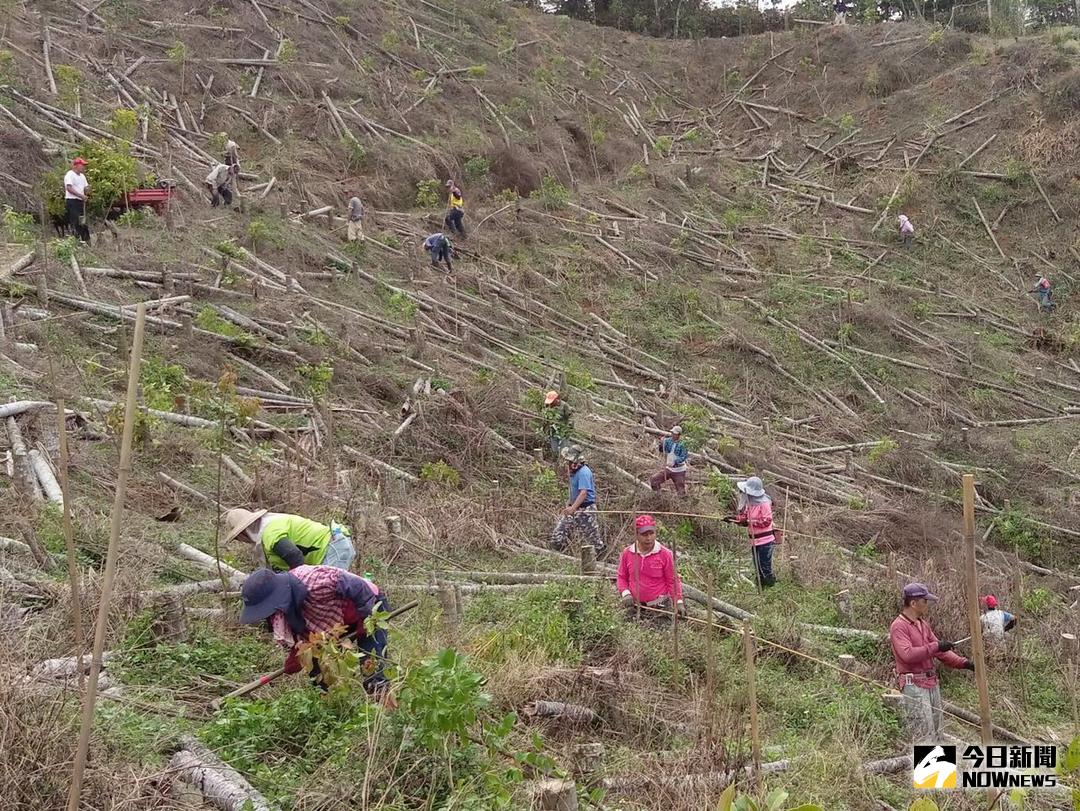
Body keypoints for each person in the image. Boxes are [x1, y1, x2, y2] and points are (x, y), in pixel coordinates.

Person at [239, 565, 395, 706]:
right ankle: (328, 710)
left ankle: (387, 713)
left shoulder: (314, 582)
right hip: (336, 620)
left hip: (368, 605)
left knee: (371, 667)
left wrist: (365, 618)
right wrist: (297, 655)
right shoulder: (281, 609)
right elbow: (302, 632)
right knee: (316, 669)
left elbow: (357, 586)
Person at [889, 583, 975, 742]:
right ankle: (927, 766)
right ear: (913, 603)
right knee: (923, 734)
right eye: (924, 601)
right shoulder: (898, 626)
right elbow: (907, 654)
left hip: (931, 683)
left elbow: (941, 652)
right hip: (914, 685)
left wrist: (965, 663)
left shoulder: (923, 624)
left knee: (938, 731)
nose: (927, 604)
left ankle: (942, 767)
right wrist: (936, 646)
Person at [222, 508, 357, 572]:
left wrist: (299, 582)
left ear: (244, 532)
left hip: (332, 549)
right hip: (335, 545)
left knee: (329, 596)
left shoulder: (270, 533)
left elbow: (294, 555)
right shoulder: (271, 527)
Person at [617, 514, 684, 617]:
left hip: (660, 606)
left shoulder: (665, 554)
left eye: (651, 533)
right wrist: (626, 593)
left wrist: (678, 602)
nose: (648, 538)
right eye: (644, 534)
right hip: (635, 605)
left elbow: (672, 580)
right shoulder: (628, 553)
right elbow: (622, 577)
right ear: (636, 535)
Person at [551, 445, 604, 555]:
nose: (569, 464)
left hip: (585, 509)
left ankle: (599, 556)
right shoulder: (573, 472)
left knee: (593, 538)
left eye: (571, 461)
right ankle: (558, 553)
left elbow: (583, 493)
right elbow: (573, 490)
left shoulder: (584, 472)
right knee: (559, 533)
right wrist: (569, 505)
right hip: (574, 507)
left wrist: (573, 508)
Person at [730, 476, 777, 587]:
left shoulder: (764, 503)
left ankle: (769, 587)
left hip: (765, 541)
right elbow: (745, 518)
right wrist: (733, 519)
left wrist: (750, 521)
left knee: (765, 566)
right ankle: (760, 585)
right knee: (757, 565)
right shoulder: (749, 504)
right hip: (754, 541)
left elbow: (766, 521)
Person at [649, 425, 688, 496]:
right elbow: (661, 449)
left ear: (679, 435)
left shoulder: (683, 444)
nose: (673, 435)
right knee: (654, 479)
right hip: (668, 469)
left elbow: (683, 456)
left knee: (681, 491)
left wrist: (675, 462)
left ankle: (681, 503)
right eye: (672, 433)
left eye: (675, 434)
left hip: (679, 470)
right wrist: (661, 443)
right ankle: (658, 496)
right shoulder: (668, 441)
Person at [63, 157, 91, 243]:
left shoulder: (82, 176)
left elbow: (85, 187)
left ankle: (86, 240)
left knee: (83, 222)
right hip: (72, 201)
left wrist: (87, 190)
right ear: (76, 166)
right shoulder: (70, 175)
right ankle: (76, 241)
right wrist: (80, 195)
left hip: (80, 202)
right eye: (82, 165)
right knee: (75, 222)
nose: (83, 167)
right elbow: (69, 188)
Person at [542, 390, 573, 459]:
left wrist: (568, 429)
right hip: (553, 431)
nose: (552, 403)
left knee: (564, 451)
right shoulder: (548, 406)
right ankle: (555, 463)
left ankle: (563, 463)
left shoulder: (564, 406)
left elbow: (570, 418)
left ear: (557, 399)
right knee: (554, 450)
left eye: (553, 401)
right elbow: (546, 418)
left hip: (563, 431)